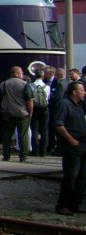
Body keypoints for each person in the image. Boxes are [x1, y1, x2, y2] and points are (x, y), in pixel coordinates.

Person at [53, 81, 86, 215]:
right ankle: (62, 205)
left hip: (82, 145)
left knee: (82, 177)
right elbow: (59, 125)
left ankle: (74, 204)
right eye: (82, 90)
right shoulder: (64, 104)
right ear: (74, 92)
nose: (84, 92)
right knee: (71, 176)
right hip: (72, 146)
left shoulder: (79, 105)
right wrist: (71, 140)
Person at [0, 66, 34, 162]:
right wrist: (30, 112)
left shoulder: (3, 84)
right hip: (22, 113)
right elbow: (29, 100)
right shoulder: (25, 84)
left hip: (7, 113)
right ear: (17, 73)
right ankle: (23, 157)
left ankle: (6, 156)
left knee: (7, 135)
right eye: (21, 73)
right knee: (23, 135)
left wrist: (1, 108)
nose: (22, 74)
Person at [30, 68, 51, 156]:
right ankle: (43, 151)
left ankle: (35, 151)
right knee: (44, 130)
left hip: (34, 109)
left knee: (34, 130)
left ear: (35, 75)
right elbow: (48, 98)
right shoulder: (47, 87)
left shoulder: (31, 85)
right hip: (45, 109)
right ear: (43, 76)